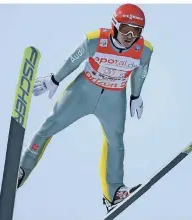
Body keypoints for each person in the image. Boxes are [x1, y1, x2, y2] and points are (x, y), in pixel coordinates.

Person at [17, 3, 153, 213]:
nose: (129, 35)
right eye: (125, 28)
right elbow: (74, 60)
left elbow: (141, 71)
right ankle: (22, 170)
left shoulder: (144, 50)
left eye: (135, 31)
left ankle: (114, 193)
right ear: (115, 26)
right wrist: (55, 79)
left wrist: (136, 95)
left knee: (115, 141)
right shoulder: (95, 39)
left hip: (114, 96)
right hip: (84, 90)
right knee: (49, 125)